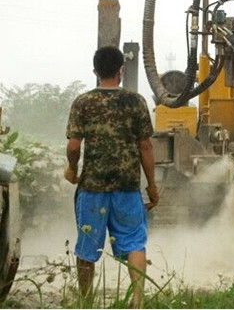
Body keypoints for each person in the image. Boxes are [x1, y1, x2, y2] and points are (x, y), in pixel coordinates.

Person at [64, 46, 159, 308]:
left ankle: (86, 302)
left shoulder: (83, 102)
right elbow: (146, 147)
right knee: (134, 244)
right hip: (127, 187)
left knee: (87, 247)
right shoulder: (136, 102)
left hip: (92, 187)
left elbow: (73, 146)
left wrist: (72, 168)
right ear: (122, 70)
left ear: (95, 71)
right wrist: (151, 185)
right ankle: (138, 301)